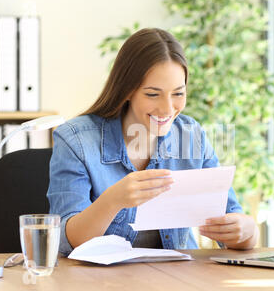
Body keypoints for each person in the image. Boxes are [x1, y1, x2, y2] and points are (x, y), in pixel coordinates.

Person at [47, 28, 258, 257]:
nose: (167, 109)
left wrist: (248, 231)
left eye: (178, 93)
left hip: (179, 279)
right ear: (127, 90)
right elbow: (67, 241)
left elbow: (236, 229)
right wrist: (113, 200)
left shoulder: (191, 135)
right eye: (152, 94)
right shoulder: (76, 140)